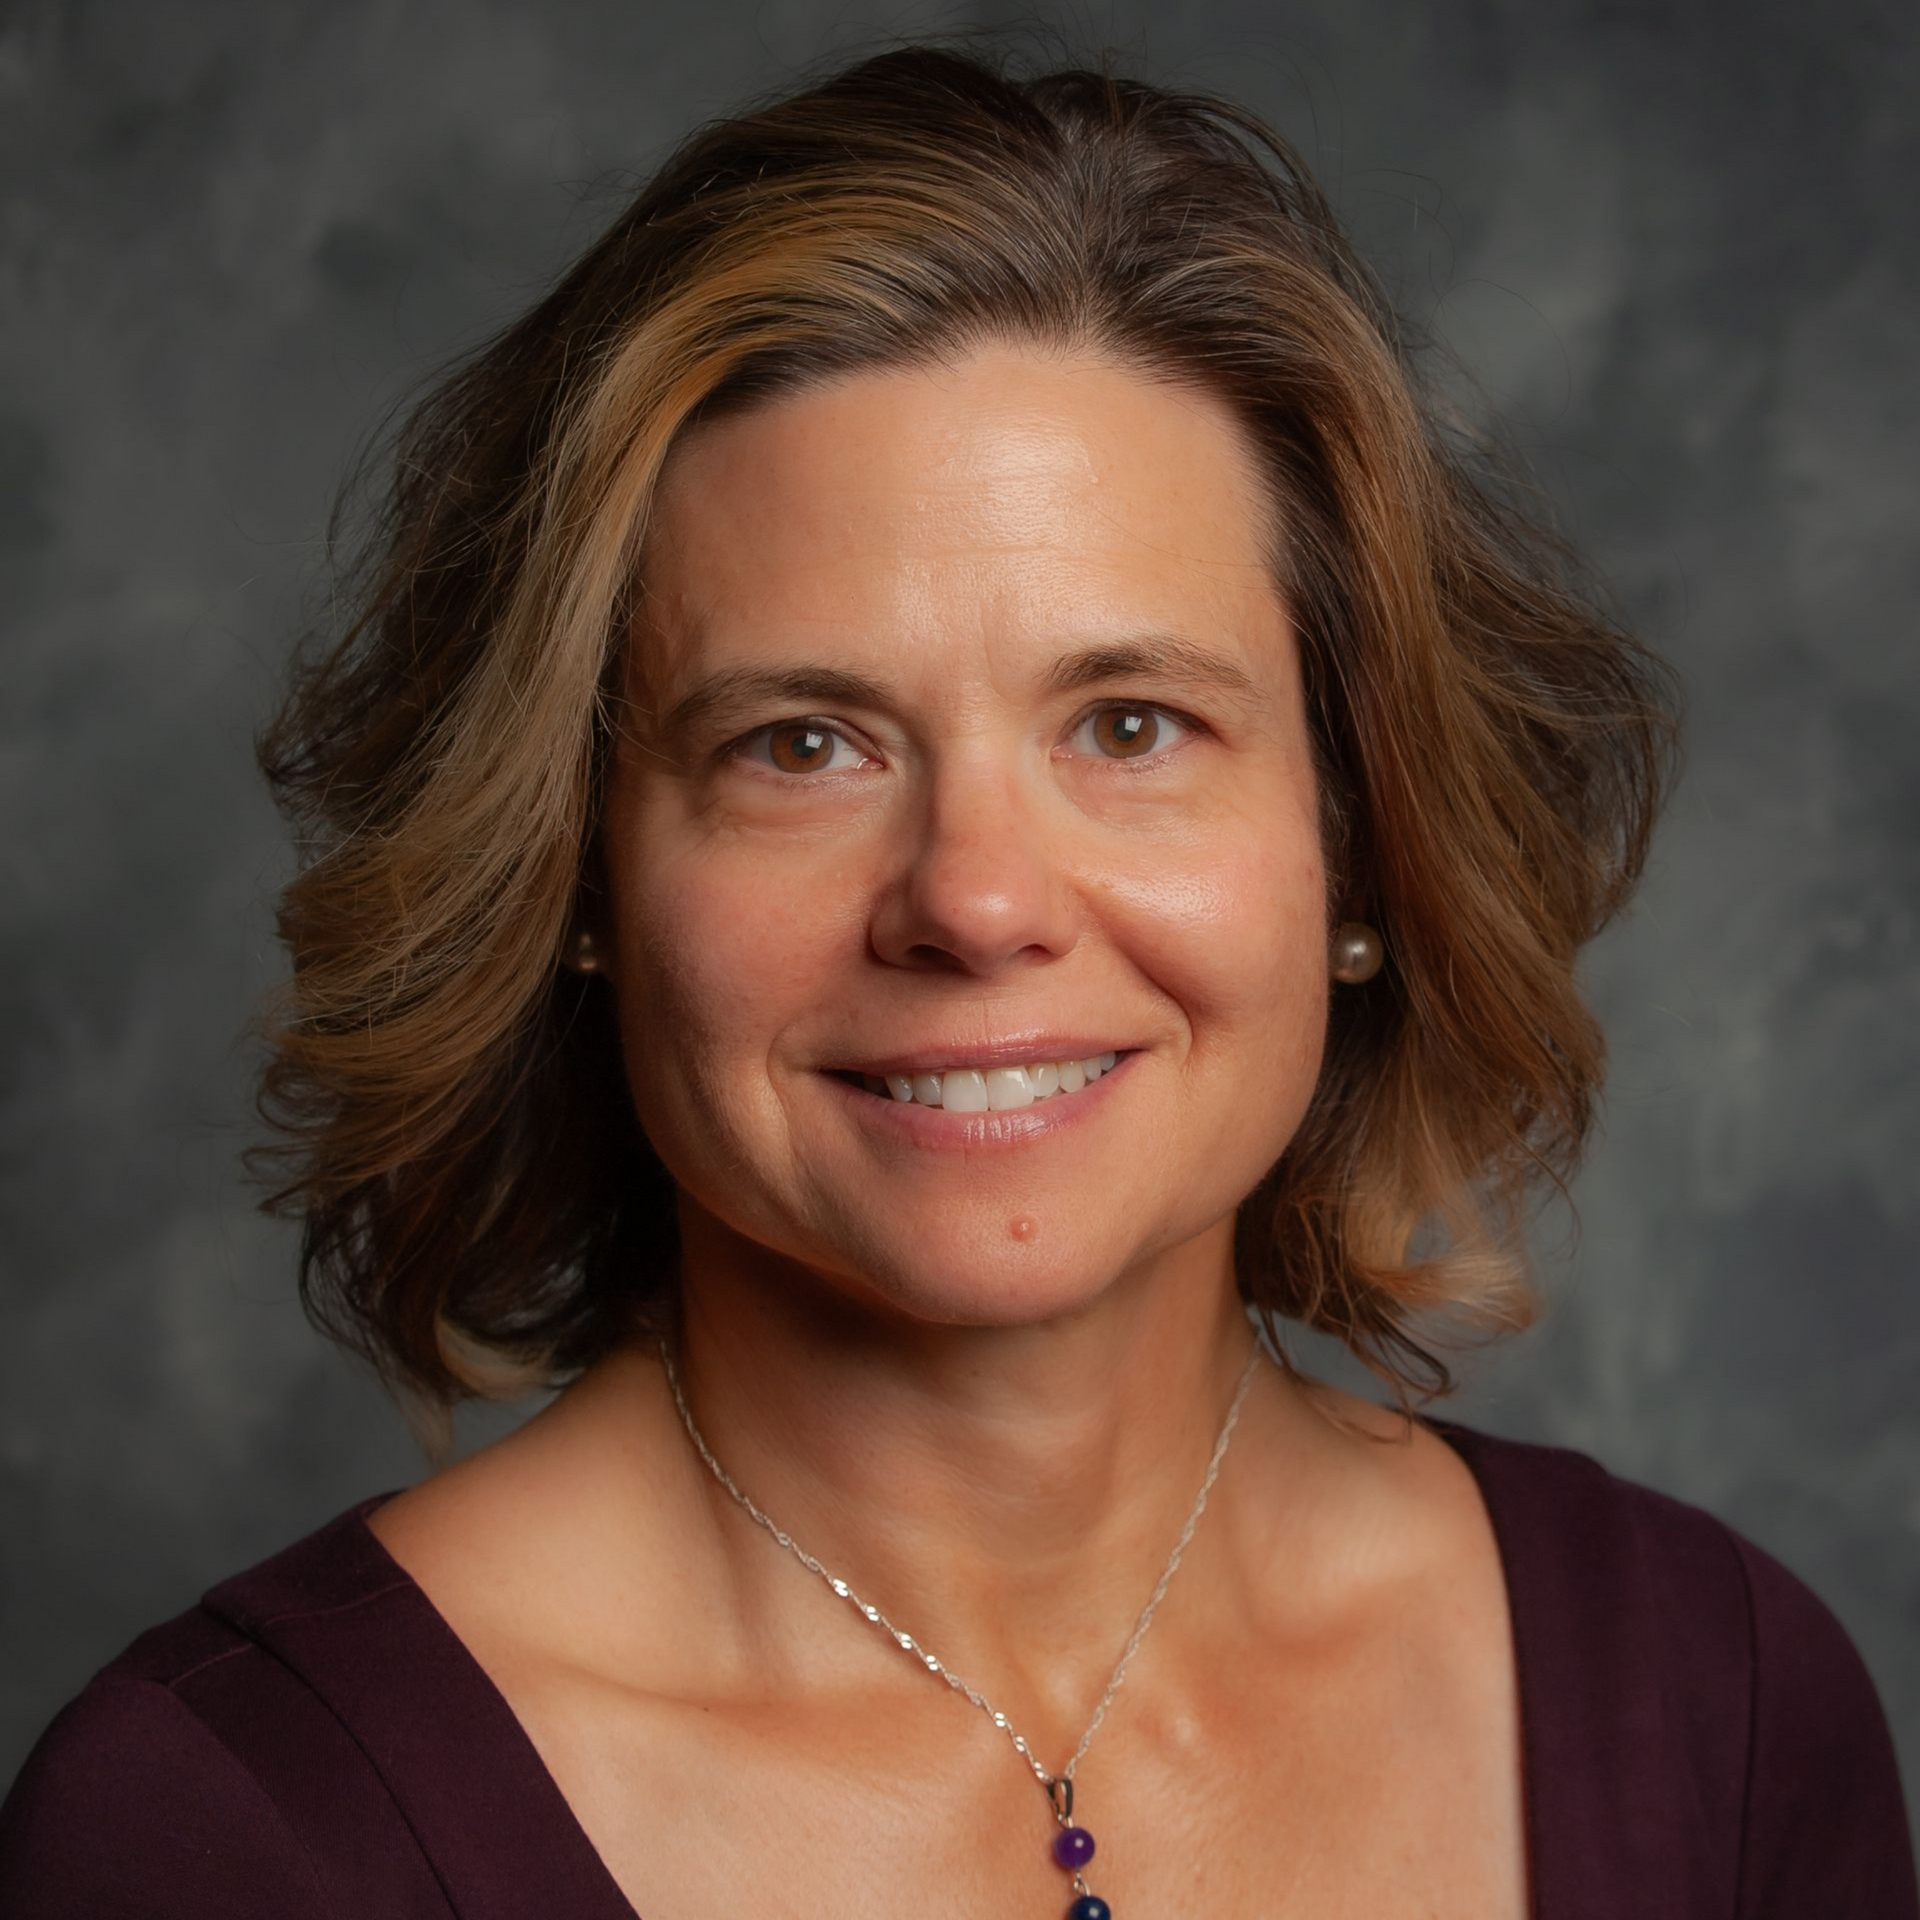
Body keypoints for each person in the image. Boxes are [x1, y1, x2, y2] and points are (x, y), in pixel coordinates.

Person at [1, 35, 1913, 1920]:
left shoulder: (1719, 1707)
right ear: (578, 869)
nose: (979, 904)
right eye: (802, 745)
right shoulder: (228, 1834)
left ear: (1360, 836)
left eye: (1135, 723)